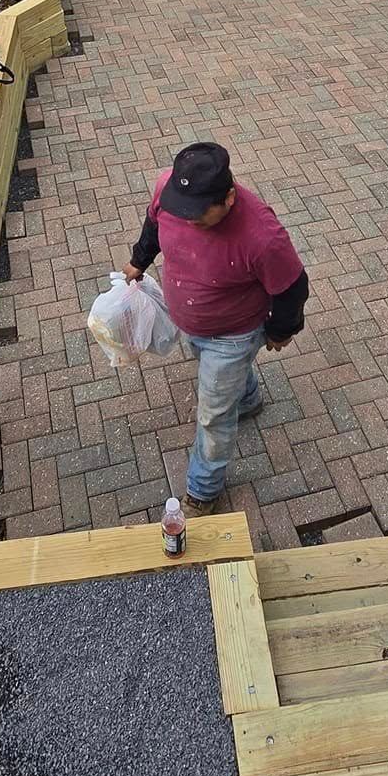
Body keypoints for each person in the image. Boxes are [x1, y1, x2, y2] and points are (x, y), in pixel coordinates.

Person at [126, 141, 309, 516]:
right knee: (218, 379)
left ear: (228, 197)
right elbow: (154, 223)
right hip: (192, 321)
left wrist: (280, 330)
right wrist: (139, 261)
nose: (188, 219)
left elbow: (292, 286)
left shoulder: (263, 236)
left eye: (198, 214)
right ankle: (249, 398)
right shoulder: (168, 189)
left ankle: (202, 489)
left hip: (233, 334)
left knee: (213, 416)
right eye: (183, 210)